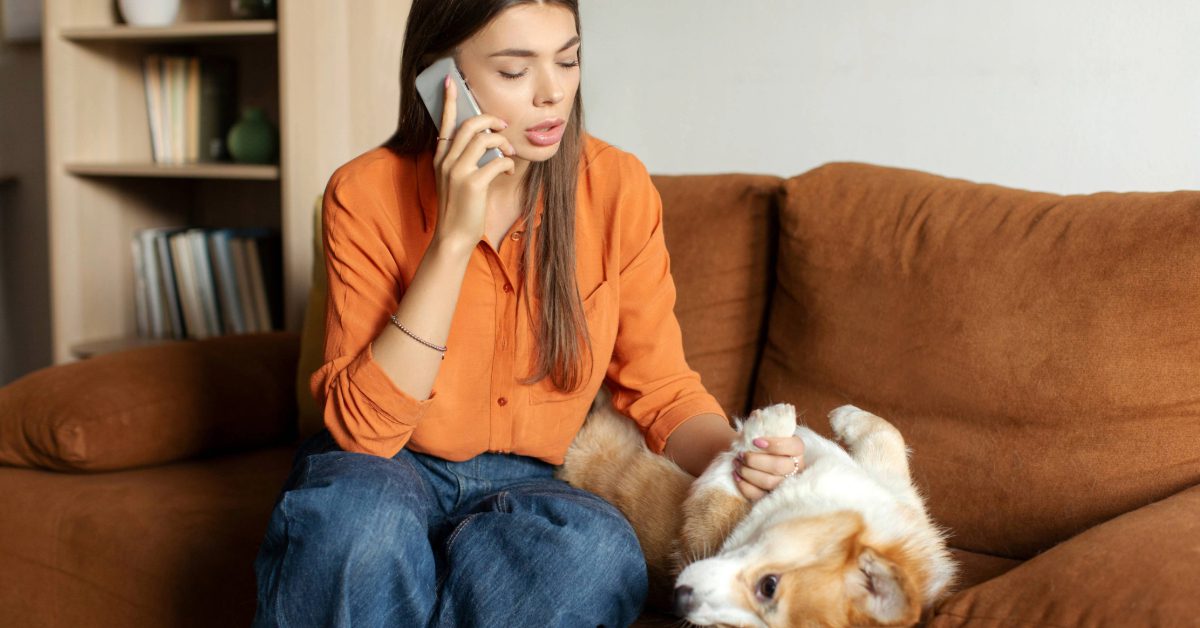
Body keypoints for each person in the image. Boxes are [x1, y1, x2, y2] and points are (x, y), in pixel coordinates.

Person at [252, 1, 805, 626]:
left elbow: (664, 389)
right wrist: (452, 241)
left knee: (598, 554)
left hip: (532, 483)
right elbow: (365, 434)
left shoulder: (618, 188)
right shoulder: (362, 193)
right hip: (383, 464)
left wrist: (736, 456)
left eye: (568, 60)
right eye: (515, 72)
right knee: (357, 526)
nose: (553, 94)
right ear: (440, 78)